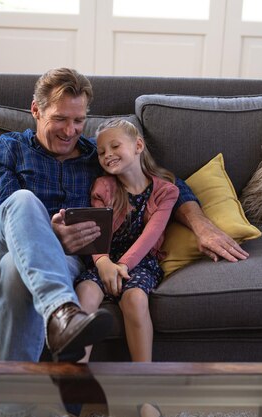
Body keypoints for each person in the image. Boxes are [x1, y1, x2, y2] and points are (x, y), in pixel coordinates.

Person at [0, 67, 249, 364]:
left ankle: (13, 407)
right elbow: (5, 212)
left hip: (60, 262)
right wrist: (50, 233)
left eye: (79, 120)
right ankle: (62, 311)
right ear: (36, 110)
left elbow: (164, 184)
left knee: (15, 271)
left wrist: (201, 226)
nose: (70, 131)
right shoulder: (7, 149)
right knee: (22, 201)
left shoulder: (95, 156)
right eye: (60, 118)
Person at [75, 119, 179, 362]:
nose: (107, 155)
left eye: (115, 146)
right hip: (103, 261)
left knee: (135, 298)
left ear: (138, 145)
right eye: (101, 152)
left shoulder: (166, 191)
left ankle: (145, 389)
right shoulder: (103, 188)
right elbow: (95, 232)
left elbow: (150, 235)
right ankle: (72, 385)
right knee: (85, 295)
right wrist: (104, 263)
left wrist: (123, 266)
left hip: (140, 262)